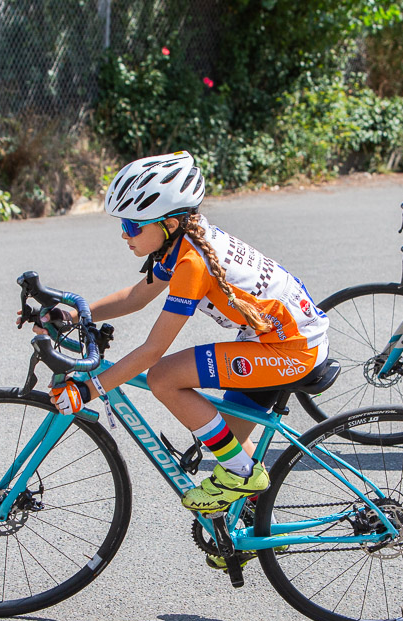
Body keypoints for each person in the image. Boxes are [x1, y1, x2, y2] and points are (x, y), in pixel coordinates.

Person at [28, 151, 329, 517]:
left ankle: (242, 478)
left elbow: (153, 350)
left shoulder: (191, 262)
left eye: (133, 225)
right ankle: (255, 532)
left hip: (289, 351)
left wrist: (88, 390)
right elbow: (136, 297)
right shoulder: (185, 241)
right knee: (229, 442)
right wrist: (70, 312)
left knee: (164, 377)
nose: (125, 234)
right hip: (275, 341)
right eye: (123, 223)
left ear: (168, 222)